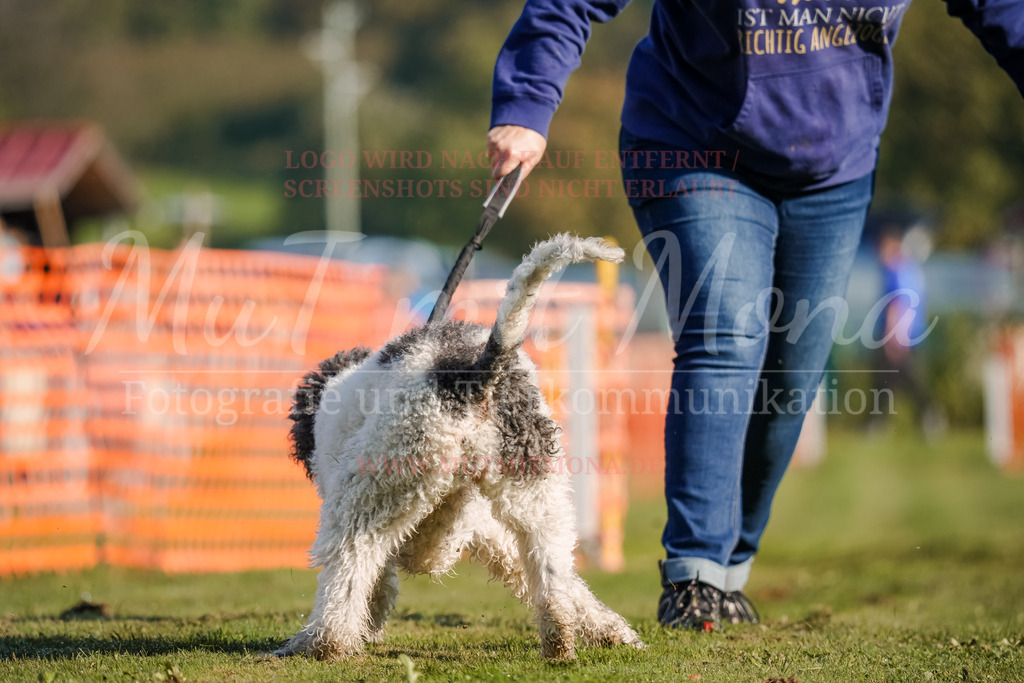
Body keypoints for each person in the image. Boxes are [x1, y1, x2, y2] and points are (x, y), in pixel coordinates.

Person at [486, 0, 1024, 631]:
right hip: (692, 142)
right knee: (724, 336)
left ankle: (729, 568)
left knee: (792, 376)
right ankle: (694, 575)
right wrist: (526, 106)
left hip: (833, 168)